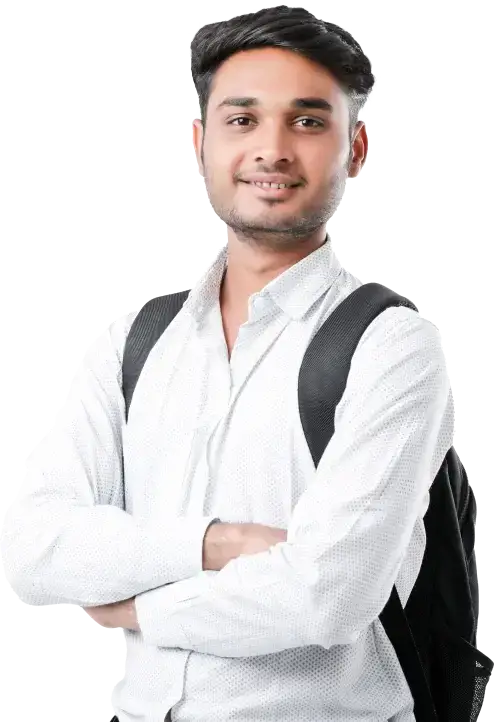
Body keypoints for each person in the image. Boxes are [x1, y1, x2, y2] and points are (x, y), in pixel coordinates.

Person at [3, 6, 455, 721]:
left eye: (307, 121)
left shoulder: (393, 344)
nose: (272, 149)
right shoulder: (134, 340)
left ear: (357, 149)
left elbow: (327, 596)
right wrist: (218, 543)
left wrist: (138, 608)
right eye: (242, 119)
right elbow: (31, 550)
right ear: (200, 144)